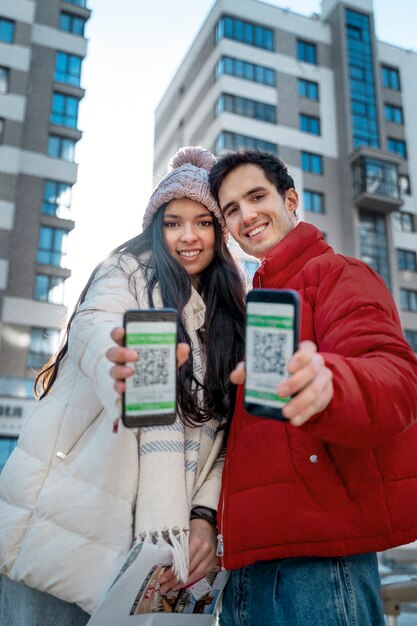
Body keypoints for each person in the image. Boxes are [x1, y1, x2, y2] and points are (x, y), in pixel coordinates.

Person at [0, 146, 246, 625]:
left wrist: (203, 517)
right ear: (155, 227)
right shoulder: (124, 273)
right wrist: (119, 363)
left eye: (203, 222)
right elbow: (96, 325)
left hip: (148, 561)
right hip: (63, 526)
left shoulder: (227, 323)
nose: (188, 237)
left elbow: (223, 443)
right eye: (173, 222)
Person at [204, 149, 417, 626]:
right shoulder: (255, 301)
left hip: (317, 565)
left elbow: (394, 377)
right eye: (232, 209)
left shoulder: (339, 273)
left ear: (291, 199)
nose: (246, 216)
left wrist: (332, 383)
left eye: (256, 197)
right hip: (246, 564)